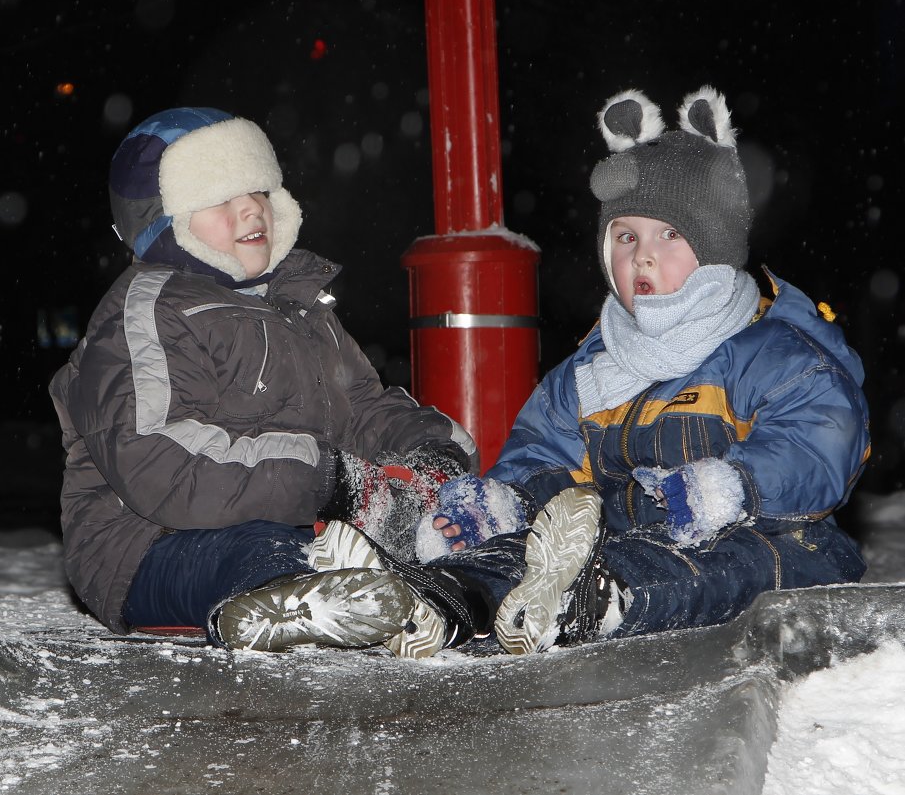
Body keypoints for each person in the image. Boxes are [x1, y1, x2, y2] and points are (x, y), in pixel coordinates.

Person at [307, 86, 871, 658]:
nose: (642, 256)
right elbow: (542, 455)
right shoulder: (591, 371)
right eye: (626, 237)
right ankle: (442, 601)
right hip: (605, 540)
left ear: (716, 242)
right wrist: (507, 502)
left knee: (724, 562)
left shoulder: (768, 349)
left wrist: (729, 488)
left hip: (775, 538)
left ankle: (595, 600)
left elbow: (822, 436)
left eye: (670, 235)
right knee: (527, 547)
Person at [48, 106, 479, 658]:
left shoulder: (299, 307)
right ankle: (299, 597)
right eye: (220, 197)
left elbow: (363, 406)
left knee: (446, 530)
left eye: (256, 190)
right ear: (166, 222)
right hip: (147, 546)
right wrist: (325, 478)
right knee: (265, 548)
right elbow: (160, 462)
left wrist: (434, 454)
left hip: (297, 517)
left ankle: (464, 595)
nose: (250, 208)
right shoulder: (149, 312)